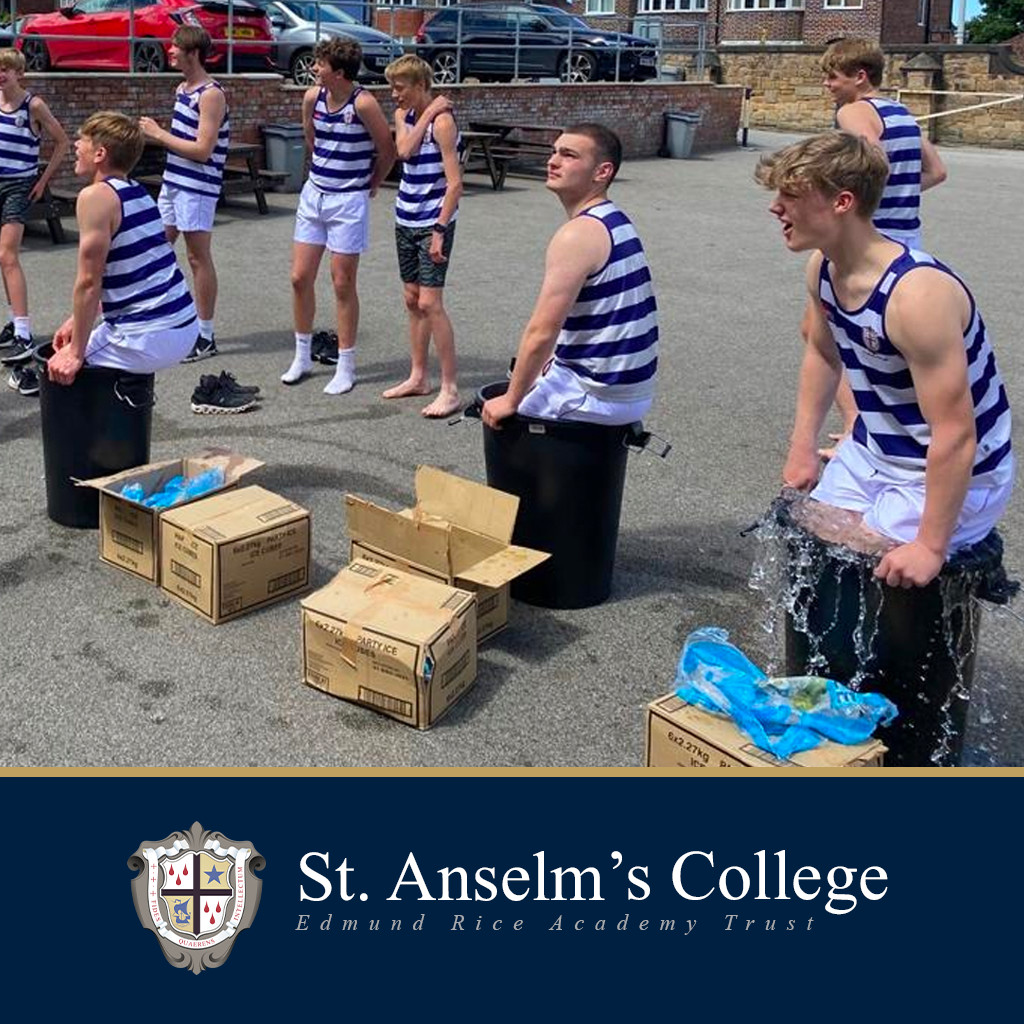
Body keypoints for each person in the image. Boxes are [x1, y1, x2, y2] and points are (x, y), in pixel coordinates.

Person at [757, 131, 1012, 589]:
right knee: (807, 539)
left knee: (866, 566)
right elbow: (821, 351)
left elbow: (955, 433)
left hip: (960, 472)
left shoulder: (916, 295)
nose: (775, 207)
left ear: (842, 202)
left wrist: (931, 546)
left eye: (791, 195)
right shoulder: (824, 269)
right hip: (878, 452)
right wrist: (803, 448)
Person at [813, 37, 948, 450]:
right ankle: (883, 429)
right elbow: (937, 171)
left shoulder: (853, 110)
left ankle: (860, 429)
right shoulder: (902, 113)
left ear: (859, 76)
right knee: (880, 343)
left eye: (832, 77)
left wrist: (848, 205)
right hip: (906, 240)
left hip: (869, 243)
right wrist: (900, 191)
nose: (827, 86)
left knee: (833, 339)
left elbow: (871, 159)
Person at [481, 123, 657, 429]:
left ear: (602, 172)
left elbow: (541, 331)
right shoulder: (614, 219)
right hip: (630, 386)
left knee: (499, 414)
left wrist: (510, 400)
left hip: (599, 393)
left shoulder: (577, 235)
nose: (553, 161)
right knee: (527, 372)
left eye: (568, 155)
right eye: (553, 152)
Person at [46, 112, 197, 387]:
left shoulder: (95, 197)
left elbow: (89, 282)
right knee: (73, 344)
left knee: (55, 366)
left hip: (150, 333)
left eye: (82, 141)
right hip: (183, 323)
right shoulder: (137, 192)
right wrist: (76, 320)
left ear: (100, 153)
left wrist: (76, 353)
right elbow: (131, 275)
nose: (76, 147)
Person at [281, 38, 396, 394]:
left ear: (339, 72)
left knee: (342, 282)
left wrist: (371, 183)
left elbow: (387, 150)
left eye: (321, 64)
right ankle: (302, 354)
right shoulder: (312, 98)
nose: (315, 68)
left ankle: (346, 365)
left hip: (348, 200)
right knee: (300, 277)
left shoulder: (364, 103)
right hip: (315, 195)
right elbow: (311, 137)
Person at [139, 25, 228, 363]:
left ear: (192, 53)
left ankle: (205, 335)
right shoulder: (182, 88)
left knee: (197, 257)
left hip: (197, 186)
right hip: (174, 182)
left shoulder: (211, 94)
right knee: (158, 249)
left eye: (175, 47)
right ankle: (156, 316)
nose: (170, 51)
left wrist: (158, 134)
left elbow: (203, 150)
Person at [381, 55, 462, 419]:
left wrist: (440, 231)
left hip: (433, 221)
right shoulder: (406, 117)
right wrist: (425, 114)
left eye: (400, 88)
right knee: (412, 299)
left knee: (431, 304)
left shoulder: (443, 123)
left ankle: (450, 388)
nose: (394, 94)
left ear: (420, 86)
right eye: (391, 87)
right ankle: (418, 376)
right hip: (405, 218)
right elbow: (403, 150)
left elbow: (455, 184)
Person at [0, 47, 70, 397]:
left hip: (19, 184)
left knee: (9, 254)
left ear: (19, 74)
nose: (1, 75)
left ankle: (25, 333)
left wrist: (43, 182)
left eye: (7, 70)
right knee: (2, 256)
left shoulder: (33, 106)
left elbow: (61, 142)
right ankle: (15, 322)